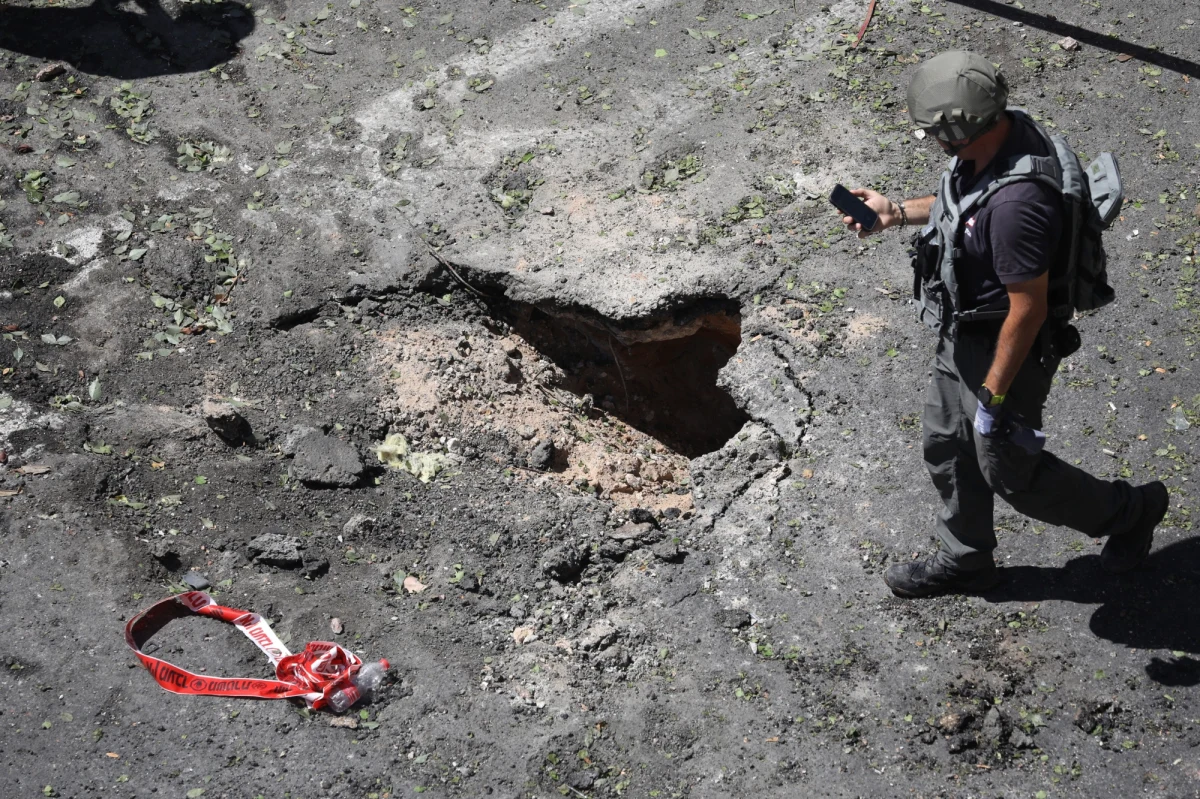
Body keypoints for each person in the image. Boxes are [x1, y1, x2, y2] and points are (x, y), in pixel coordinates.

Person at [840, 50, 1169, 598]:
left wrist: (993, 394)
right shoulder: (994, 144)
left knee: (1013, 474)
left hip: (1004, 349)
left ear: (960, 129)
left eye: (934, 134)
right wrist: (895, 211)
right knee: (947, 443)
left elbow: (1029, 309)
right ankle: (965, 559)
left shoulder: (1018, 208)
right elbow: (958, 206)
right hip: (963, 332)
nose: (934, 144)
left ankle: (1133, 511)